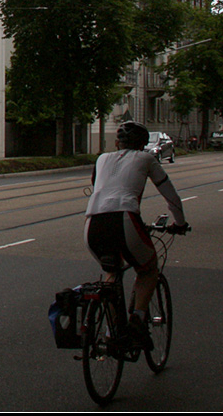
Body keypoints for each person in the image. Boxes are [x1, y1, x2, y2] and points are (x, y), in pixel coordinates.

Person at [84, 120, 188, 348]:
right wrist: (180, 223)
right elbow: (170, 195)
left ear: (116, 142)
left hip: (92, 223)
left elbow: (98, 187)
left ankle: (113, 333)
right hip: (125, 219)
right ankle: (138, 320)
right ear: (143, 145)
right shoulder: (146, 158)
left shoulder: (102, 158)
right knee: (148, 268)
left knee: (111, 272)